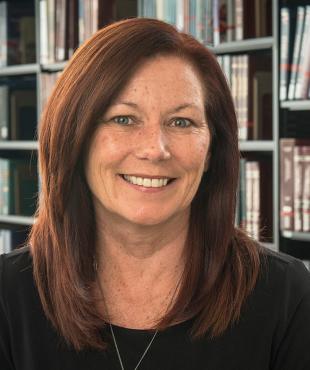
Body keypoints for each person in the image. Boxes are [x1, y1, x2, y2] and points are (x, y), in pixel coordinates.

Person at [0, 17, 310, 370]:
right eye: (123, 119)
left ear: (212, 151)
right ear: (76, 139)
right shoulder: (9, 297)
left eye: (182, 122)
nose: (155, 149)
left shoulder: (285, 295)